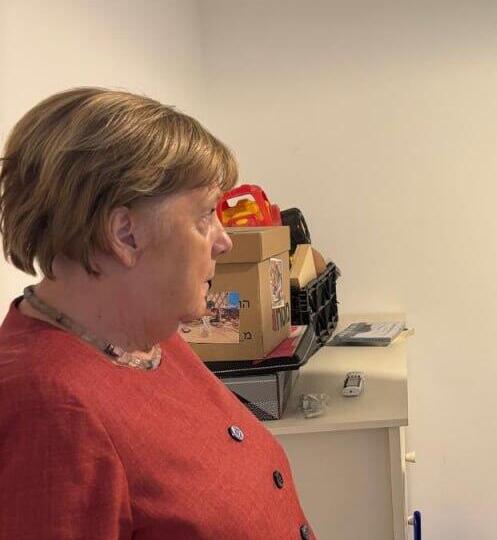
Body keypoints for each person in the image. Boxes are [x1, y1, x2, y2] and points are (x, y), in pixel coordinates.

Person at [0, 88, 315, 539]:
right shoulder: (46, 409)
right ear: (125, 234)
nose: (223, 241)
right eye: (205, 215)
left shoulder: (149, 334)